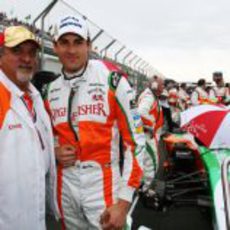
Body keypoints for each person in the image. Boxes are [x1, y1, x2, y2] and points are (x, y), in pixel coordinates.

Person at [43, 15, 145, 229]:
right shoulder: (49, 90)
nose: (71, 50)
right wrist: (54, 152)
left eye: (78, 42)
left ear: (89, 45)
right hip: (65, 189)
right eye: (64, 42)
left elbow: (135, 143)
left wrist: (124, 202)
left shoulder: (113, 80)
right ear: (55, 46)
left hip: (103, 189)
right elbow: (43, 140)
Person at [0, 25, 59, 230]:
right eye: (17, 51)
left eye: (32, 53)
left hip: (34, 215)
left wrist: (54, 154)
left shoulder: (34, 96)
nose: (26, 59)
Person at [137, 76, 164, 190]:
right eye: (162, 85)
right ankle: (146, 189)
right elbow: (141, 113)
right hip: (147, 135)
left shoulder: (150, 95)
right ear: (155, 85)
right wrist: (150, 126)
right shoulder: (149, 97)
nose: (163, 88)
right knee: (152, 163)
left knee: (145, 162)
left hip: (147, 135)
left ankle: (142, 185)